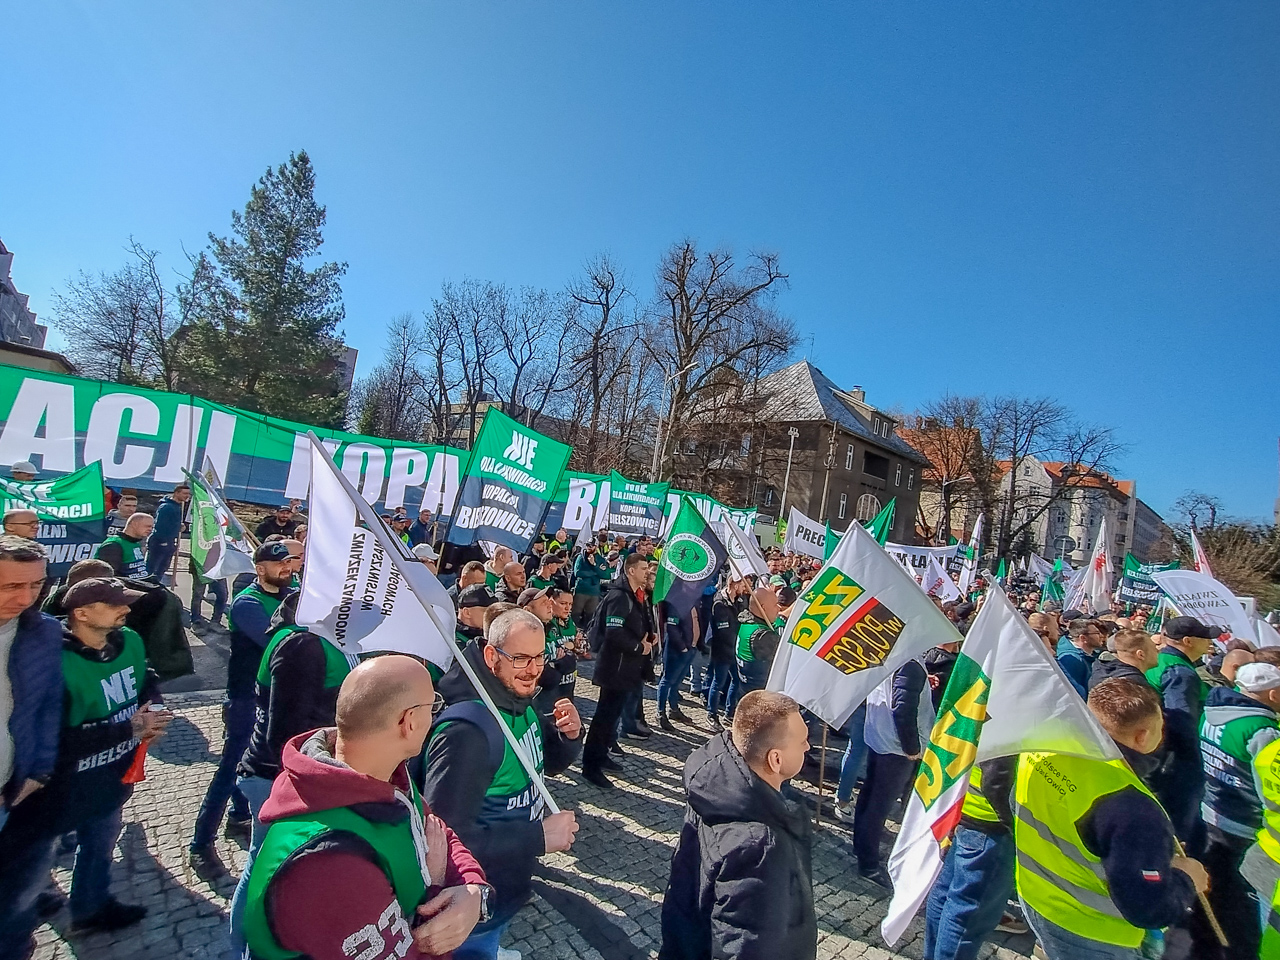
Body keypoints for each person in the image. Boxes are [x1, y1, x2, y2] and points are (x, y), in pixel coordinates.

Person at [243, 655, 490, 960]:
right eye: (434, 706)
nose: (437, 716)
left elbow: (438, 833)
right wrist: (435, 887)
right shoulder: (326, 863)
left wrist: (474, 891)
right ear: (409, 722)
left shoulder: (384, 775)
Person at [1, 578, 173, 952]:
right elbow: (54, 737)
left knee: (101, 844)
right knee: (29, 872)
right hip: (58, 790)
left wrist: (154, 709)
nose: (125, 610)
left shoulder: (129, 641)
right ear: (80, 613)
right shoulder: (56, 661)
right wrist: (129, 728)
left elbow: (147, 681)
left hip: (111, 777)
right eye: (113, 605)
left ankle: (91, 908)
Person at [421, 610, 582, 960]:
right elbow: (444, 837)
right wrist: (537, 837)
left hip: (508, 882)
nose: (534, 669)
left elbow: (542, 764)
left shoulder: (516, 698)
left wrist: (568, 736)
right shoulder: (468, 733)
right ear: (492, 656)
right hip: (471, 898)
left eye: (539, 656)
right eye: (521, 658)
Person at [1015, 678, 1205, 959]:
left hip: (1037, 896)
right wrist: (1187, 879)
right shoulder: (1132, 807)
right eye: (1160, 729)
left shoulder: (1042, 745)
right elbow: (1148, 907)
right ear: (1142, 737)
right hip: (1094, 930)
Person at [228, 590, 361, 946]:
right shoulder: (301, 644)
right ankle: (246, 947)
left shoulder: (327, 639)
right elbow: (285, 734)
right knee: (265, 869)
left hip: (307, 774)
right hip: (278, 778)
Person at [658, 690, 815, 960]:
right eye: (802, 741)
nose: (808, 747)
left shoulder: (715, 784)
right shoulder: (761, 846)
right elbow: (747, 943)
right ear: (775, 759)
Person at [188, 541, 296, 881]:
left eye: (290, 563)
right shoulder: (247, 602)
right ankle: (200, 844)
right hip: (245, 697)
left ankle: (239, 816)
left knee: (253, 764)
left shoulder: (289, 595)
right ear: (259, 567)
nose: (287, 569)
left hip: (274, 697)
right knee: (231, 766)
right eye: (279, 564)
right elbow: (278, 641)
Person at [1197, 661, 1280, 960]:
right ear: (1272, 695)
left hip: (1213, 810)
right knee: (1246, 909)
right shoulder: (1263, 731)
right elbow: (1269, 792)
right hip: (1246, 824)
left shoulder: (1213, 712)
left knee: (1222, 894)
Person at [923, 756, 1020, 959]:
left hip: (969, 804)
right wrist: (1013, 825)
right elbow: (997, 775)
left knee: (946, 895)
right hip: (990, 822)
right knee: (967, 917)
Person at [0, 537, 61, 833]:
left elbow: (48, 705)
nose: (26, 599)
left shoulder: (44, 631)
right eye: (11, 587)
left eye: (36, 585)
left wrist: (39, 771)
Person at [855, 657, 933, 886]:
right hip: (896, 746)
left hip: (880, 737)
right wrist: (912, 747)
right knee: (879, 805)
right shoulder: (910, 663)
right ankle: (868, 864)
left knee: (870, 797)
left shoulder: (891, 655)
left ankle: (861, 847)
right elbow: (903, 706)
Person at [582, 552, 655, 789]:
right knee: (603, 717)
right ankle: (590, 766)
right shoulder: (619, 597)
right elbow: (614, 633)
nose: (647, 572)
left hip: (627, 668)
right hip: (615, 667)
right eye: (643, 568)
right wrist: (639, 647)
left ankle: (602, 756)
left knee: (612, 717)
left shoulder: (637, 596)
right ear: (631, 570)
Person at [1146, 615, 1215, 844]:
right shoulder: (1180, 672)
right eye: (1206, 638)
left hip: (1158, 752)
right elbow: (1182, 720)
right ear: (1188, 641)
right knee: (1178, 821)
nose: (1210, 643)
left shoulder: (1159, 660)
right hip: (1176, 759)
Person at [705, 578, 744, 730]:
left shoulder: (739, 600)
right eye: (742, 584)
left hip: (734, 649)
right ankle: (711, 715)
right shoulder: (720, 603)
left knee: (737, 680)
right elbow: (724, 630)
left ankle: (729, 713)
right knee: (718, 682)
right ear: (733, 584)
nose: (744, 587)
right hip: (722, 649)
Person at [656, 599, 699, 731]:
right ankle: (660, 712)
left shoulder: (694, 601)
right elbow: (672, 627)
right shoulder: (676, 603)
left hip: (691, 647)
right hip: (677, 650)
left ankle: (674, 709)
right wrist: (682, 647)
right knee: (667, 680)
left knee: (676, 682)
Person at [735, 587, 781, 700]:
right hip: (761, 698)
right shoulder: (762, 636)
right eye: (775, 604)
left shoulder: (747, 623)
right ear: (763, 608)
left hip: (746, 691)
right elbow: (783, 658)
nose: (779, 608)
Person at [1090, 627, 1160, 690]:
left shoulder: (1099, 672)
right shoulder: (1135, 685)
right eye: (1154, 649)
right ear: (1140, 655)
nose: (1158, 651)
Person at [147, 483, 190, 581]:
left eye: (188, 494)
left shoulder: (177, 506)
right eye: (184, 493)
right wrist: (164, 541)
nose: (187, 496)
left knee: (163, 567)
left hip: (170, 541)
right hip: (161, 541)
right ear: (176, 493)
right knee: (153, 567)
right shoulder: (167, 507)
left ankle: (156, 585)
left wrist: (179, 527)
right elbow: (160, 525)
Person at [1056, 618, 1106, 698]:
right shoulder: (1071, 660)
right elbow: (1074, 693)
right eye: (1097, 633)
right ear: (1083, 638)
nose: (1101, 636)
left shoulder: (1090, 654)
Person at [94, 513, 154, 579]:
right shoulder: (113, 545)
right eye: (147, 526)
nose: (150, 529)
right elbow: (109, 577)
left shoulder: (134, 543)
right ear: (134, 524)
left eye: (152, 527)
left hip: (142, 582)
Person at [571, 540, 609, 629]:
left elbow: (604, 574)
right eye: (587, 545)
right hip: (581, 590)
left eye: (591, 546)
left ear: (596, 546)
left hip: (594, 592)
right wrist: (594, 573)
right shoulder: (581, 557)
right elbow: (578, 573)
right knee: (575, 614)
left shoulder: (601, 559)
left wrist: (594, 565)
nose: (589, 547)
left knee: (591, 616)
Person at [456, 584, 496, 649]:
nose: (492, 615)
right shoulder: (451, 642)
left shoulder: (491, 632)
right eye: (487, 611)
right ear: (467, 613)